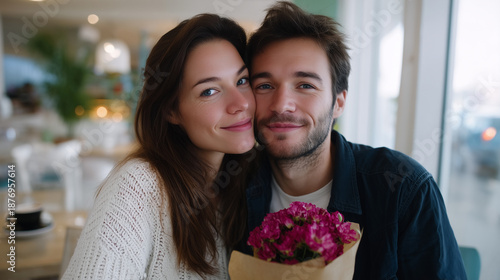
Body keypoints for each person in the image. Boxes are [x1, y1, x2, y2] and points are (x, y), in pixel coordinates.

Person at [237, 2, 467, 279]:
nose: (282, 105)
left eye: (305, 85)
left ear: (339, 102)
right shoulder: (229, 188)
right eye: (265, 86)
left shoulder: (403, 189)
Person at [63, 14, 255, 279]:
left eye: (242, 81)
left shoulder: (241, 186)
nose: (240, 104)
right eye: (209, 91)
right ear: (172, 112)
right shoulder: (139, 187)